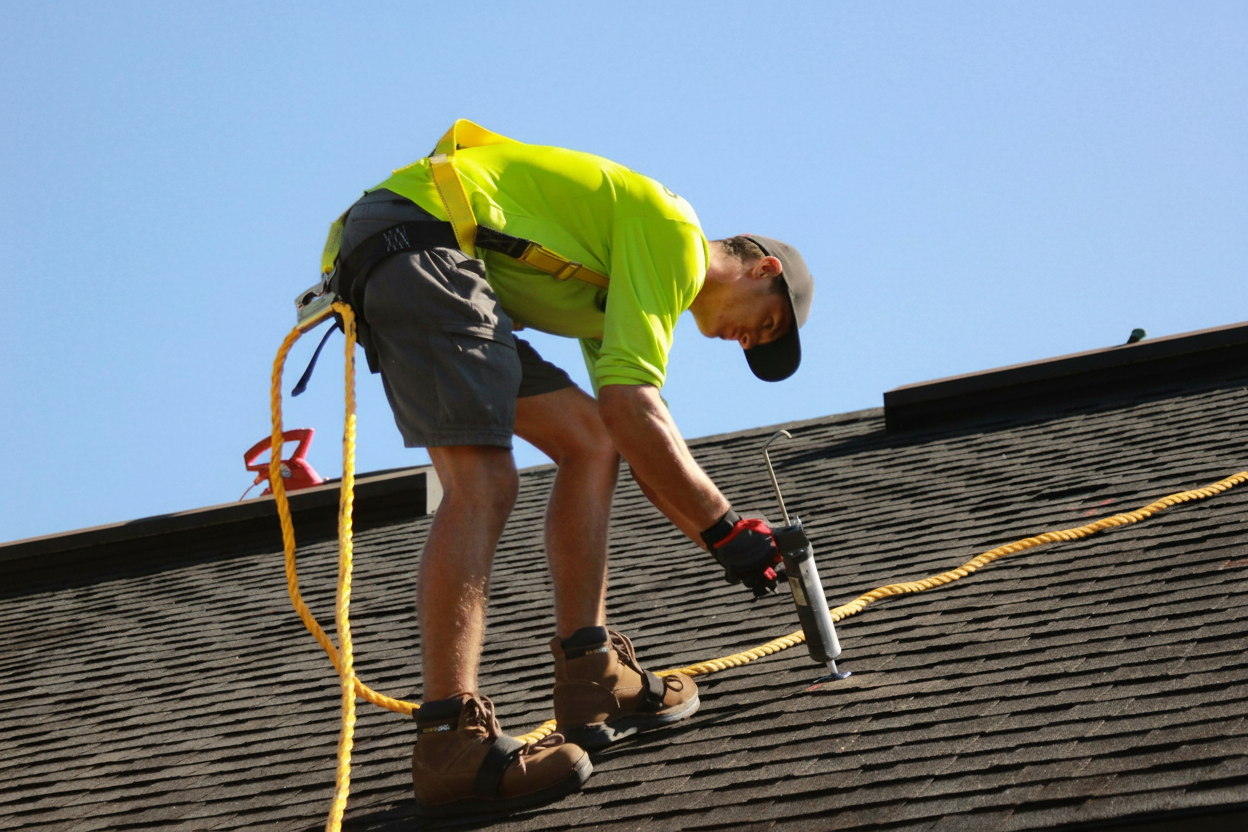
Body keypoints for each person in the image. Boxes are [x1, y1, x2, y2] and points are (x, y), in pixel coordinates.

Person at [324, 121, 814, 816]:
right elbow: (635, 406)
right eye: (764, 325)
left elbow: (632, 430)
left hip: (425, 258)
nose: (745, 340)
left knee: (589, 442)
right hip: (420, 247)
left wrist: (720, 533)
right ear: (764, 269)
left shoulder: (618, 286)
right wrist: (727, 529)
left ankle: (591, 673)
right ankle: (447, 742)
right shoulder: (673, 231)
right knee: (484, 483)